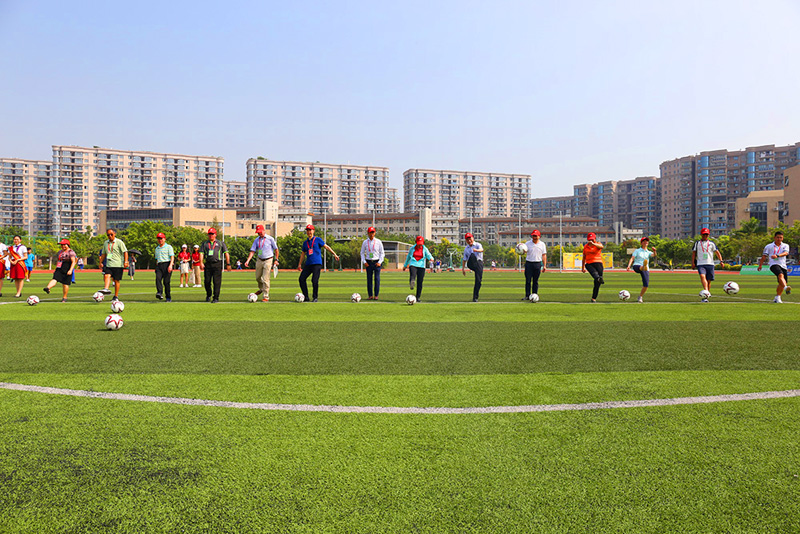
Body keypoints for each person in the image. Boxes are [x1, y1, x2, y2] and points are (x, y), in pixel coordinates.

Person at [297, 224, 339, 302]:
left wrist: (334, 254)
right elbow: (303, 254)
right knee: (301, 279)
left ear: (313, 231)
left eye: (310, 230)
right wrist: (299, 264)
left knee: (314, 280)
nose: (309, 232)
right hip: (308, 264)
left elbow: (326, 247)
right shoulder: (305, 243)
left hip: (317, 263)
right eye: (307, 230)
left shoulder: (318, 240)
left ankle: (315, 297)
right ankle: (306, 297)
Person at [244, 224, 279, 302]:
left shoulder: (270, 239)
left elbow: (276, 249)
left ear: (264, 230)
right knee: (258, 277)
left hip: (268, 260)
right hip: (259, 259)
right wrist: (248, 260)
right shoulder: (256, 240)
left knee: (265, 278)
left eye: (260, 232)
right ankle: (261, 289)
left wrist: (276, 260)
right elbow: (252, 251)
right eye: (258, 232)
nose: (259, 233)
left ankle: (266, 296)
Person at [758, 230, 792, 303]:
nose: (779, 239)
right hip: (773, 264)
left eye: (780, 237)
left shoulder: (785, 245)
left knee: (782, 282)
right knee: (780, 275)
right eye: (778, 237)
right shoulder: (769, 246)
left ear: (782, 238)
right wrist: (760, 265)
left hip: (783, 265)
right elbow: (764, 256)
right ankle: (786, 288)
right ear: (774, 237)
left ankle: (777, 297)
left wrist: (777, 255)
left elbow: (786, 253)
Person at [691, 228, 724, 302]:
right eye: (703, 234)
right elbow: (693, 253)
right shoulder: (697, 243)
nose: (705, 236)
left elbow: (717, 252)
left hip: (710, 263)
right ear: (701, 235)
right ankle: (706, 291)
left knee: (709, 281)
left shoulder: (712, 243)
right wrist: (693, 263)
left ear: (708, 235)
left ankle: (706, 296)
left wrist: (721, 261)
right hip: (700, 263)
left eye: (706, 234)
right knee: (702, 276)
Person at [200, 228, 231, 303]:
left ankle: (216, 297)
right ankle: (209, 294)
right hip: (208, 264)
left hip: (217, 264)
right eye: (209, 234)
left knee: (216, 282)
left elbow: (226, 253)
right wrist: (201, 262)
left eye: (212, 234)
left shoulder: (220, 243)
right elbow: (201, 253)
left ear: (215, 234)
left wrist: (228, 263)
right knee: (207, 281)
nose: (211, 235)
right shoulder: (205, 244)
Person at [98, 228, 128, 302]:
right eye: (108, 235)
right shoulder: (106, 243)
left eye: (111, 234)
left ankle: (116, 296)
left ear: (115, 234)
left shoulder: (119, 242)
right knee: (106, 275)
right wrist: (100, 262)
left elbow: (125, 252)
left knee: (116, 280)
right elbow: (104, 253)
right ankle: (106, 288)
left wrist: (126, 261)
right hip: (109, 264)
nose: (110, 236)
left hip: (118, 264)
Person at [626, 236, 657, 303]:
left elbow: (654, 255)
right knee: (641, 267)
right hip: (637, 266)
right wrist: (629, 266)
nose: (646, 242)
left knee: (646, 285)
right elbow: (632, 258)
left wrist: (654, 251)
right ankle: (643, 266)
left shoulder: (648, 252)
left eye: (647, 241)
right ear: (641, 243)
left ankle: (640, 296)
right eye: (644, 241)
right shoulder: (637, 251)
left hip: (645, 269)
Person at [403, 236, 434, 302]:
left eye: (421, 244)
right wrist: (405, 265)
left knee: (420, 282)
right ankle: (412, 282)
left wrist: (431, 259)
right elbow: (408, 257)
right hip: (413, 264)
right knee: (413, 275)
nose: (420, 245)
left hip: (421, 266)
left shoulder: (424, 249)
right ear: (416, 242)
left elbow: (428, 255)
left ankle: (418, 297)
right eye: (418, 244)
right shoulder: (412, 249)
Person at [360, 226, 385, 300]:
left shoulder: (378, 242)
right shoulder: (365, 242)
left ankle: (376, 295)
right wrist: (364, 262)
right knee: (369, 279)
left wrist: (380, 262)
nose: (371, 234)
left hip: (377, 262)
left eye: (373, 232)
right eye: (370, 232)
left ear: (375, 233)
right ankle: (370, 295)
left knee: (377, 279)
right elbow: (362, 253)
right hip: (368, 262)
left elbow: (382, 253)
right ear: (368, 233)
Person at [523, 229, 547, 300]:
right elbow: (523, 251)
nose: (534, 237)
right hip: (529, 263)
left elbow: (544, 255)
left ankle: (534, 295)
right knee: (528, 280)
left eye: (536, 236)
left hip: (537, 263)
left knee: (535, 281)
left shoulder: (542, 244)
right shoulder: (527, 244)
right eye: (533, 236)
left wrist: (544, 265)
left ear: (539, 236)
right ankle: (527, 295)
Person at [581, 232, 605, 302]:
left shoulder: (598, 244)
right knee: (596, 277)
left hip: (598, 263)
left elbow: (601, 247)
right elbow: (584, 257)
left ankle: (593, 298)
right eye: (589, 239)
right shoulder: (586, 247)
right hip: (589, 263)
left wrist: (593, 244)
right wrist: (582, 267)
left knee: (597, 283)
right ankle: (599, 278)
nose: (591, 240)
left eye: (592, 239)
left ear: (595, 238)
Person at [462, 232, 484, 302]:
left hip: (478, 263)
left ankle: (475, 297)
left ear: (473, 238)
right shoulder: (466, 249)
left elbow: (482, 250)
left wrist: (476, 250)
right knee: (472, 255)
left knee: (478, 281)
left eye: (470, 239)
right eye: (467, 239)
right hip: (471, 264)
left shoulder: (477, 245)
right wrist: (463, 269)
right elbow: (464, 259)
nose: (469, 240)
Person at [154, 232, 175, 302]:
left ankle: (168, 297)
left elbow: (172, 257)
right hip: (159, 265)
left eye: (161, 238)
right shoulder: (157, 248)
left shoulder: (169, 247)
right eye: (158, 239)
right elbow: (156, 259)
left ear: (164, 239)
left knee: (166, 282)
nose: (160, 240)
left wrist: (170, 265)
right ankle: (159, 292)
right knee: (158, 279)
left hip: (167, 264)